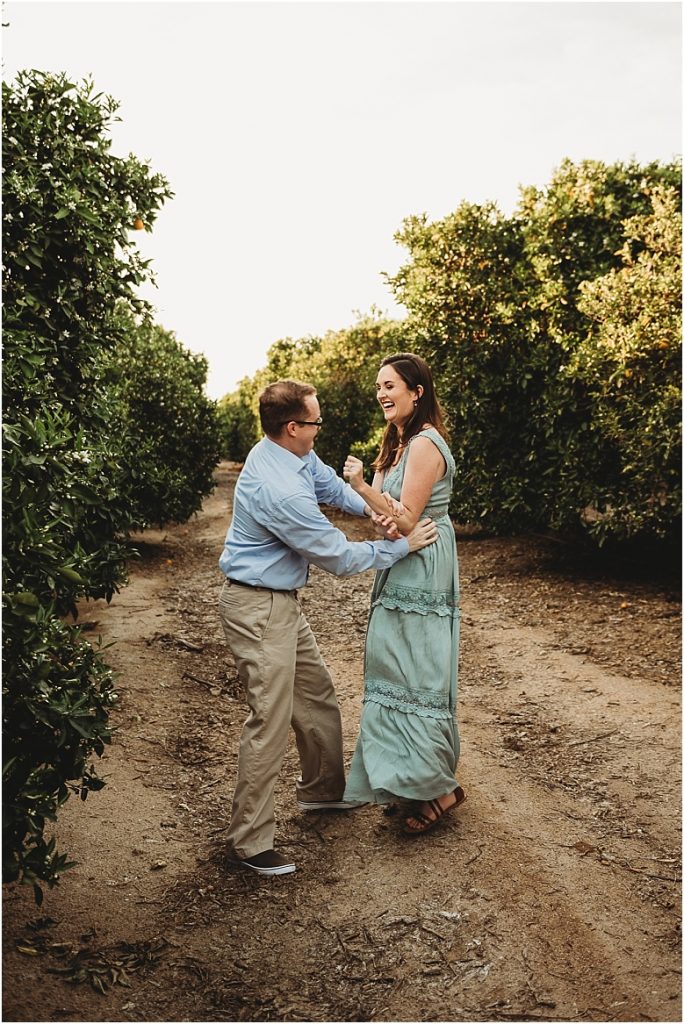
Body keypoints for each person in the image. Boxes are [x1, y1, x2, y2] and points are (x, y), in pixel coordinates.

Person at [218, 379, 438, 876]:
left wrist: (382, 510)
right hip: (257, 609)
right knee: (269, 723)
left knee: (317, 697)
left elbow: (331, 485)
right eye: (315, 421)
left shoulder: (290, 454)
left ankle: (323, 794)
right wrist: (402, 545)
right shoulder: (277, 490)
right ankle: (248, 844)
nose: (321, 429)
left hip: (278, 604)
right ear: (293, 426)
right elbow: (338, 557)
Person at [342, 352, 464, 835]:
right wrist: (377, 508)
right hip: (400, 558)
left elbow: (409, 517)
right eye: (378, 386)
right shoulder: (394, 443)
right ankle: (406, 780)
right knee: (389, 663)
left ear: (417, 392)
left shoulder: (427, 444)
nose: (382, 394)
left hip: (425, 560)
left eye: (390, 385)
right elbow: (383, 514)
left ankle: (441, 788)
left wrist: (362, 488)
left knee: (417, 668)